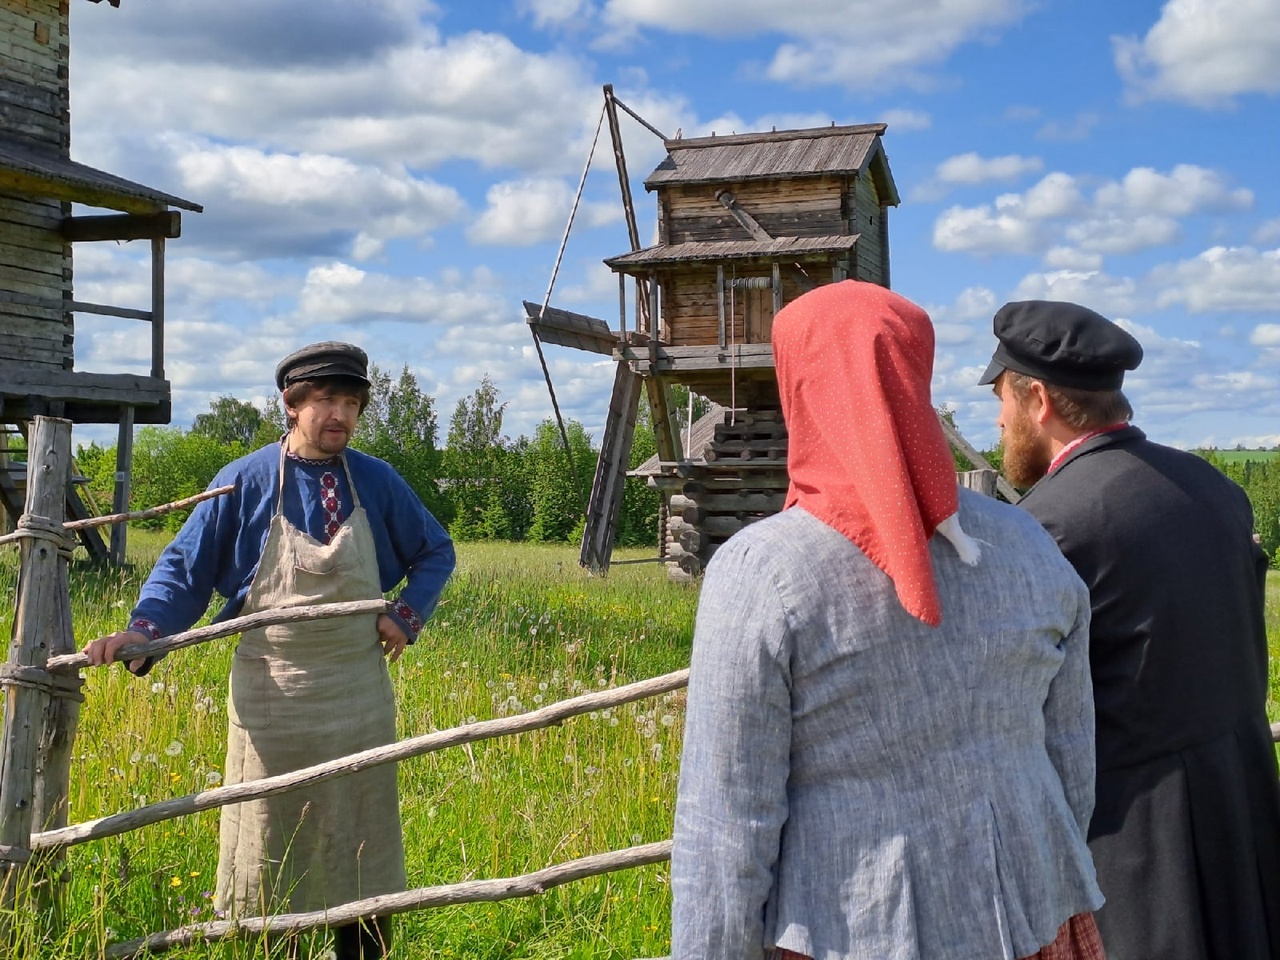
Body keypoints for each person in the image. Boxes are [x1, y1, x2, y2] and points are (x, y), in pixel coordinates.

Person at [671, 280, 1105, 960]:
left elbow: (727, 830)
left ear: (798, 385)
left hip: (860, 927)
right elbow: (1072, 763)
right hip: (1030, 917)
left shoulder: (763, 572)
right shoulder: (1027, 545)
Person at [84, 342, 456, 960]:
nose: (339, 415)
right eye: (325, 401)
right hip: (271, 701)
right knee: (271, 851)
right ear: (291, 405)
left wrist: (405, 615)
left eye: (351, 403)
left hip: (357, 699)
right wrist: (144, 632)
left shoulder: (375, 479)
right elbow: (185, 568)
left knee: (361, 845)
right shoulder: (244, 479)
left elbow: (435, 550)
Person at [980, 300, 1280, 960]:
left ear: (1037, 399)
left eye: (1001, 398)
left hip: (1133, 864)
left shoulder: (1046, 527)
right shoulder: (1213, 488)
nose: (997, 420)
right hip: (1247, 831)